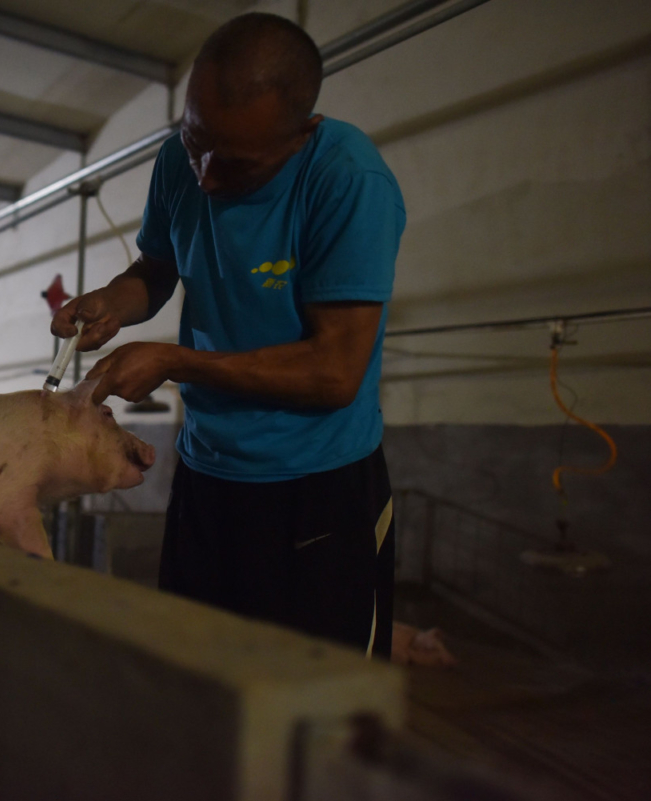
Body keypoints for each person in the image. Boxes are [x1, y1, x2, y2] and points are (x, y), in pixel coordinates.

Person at [51, 13, 405, 659]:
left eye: (236, 164)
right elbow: (155, 269)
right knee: (197, 669)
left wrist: (177, 360)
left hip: (316, 486)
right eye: (195, 141)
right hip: (209, 471)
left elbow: (334, 372)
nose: (207, 177)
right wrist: (114, 303)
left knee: (313, 698)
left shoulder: (349, 181)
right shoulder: (178, 163)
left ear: (303, 134)